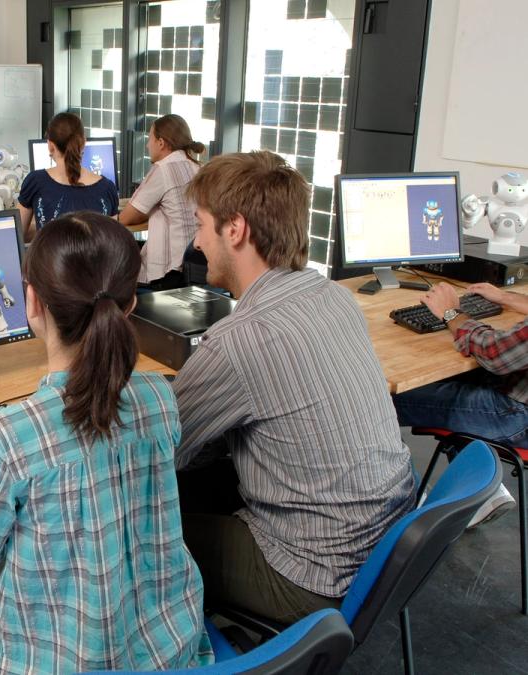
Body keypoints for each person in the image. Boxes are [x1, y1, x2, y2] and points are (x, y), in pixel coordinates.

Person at [0, 212, 213, 674]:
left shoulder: (9, 436)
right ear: (130, 305)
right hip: (166, 648)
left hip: (65, 661)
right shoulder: (159, 398)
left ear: (31, 301)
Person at [173, 151, 416, 625]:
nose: (197, 242)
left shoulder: (240, 341)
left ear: (235, 229)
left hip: (310, 576)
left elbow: (163, 450)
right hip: (383, 546)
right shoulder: (333, 296)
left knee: (135, 530)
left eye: (200, 225)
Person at [394, 281, 528, 525]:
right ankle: (479, 491)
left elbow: (494, 352)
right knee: (462, 371)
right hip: (517, 396)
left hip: (515, 417)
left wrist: (451, 313)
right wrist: (504, 297)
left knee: (379, 401)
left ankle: (413, 502)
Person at [118, 114, 204, 289]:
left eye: (150, 139)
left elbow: (127, 218)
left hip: (168, 273)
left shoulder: (163, 169)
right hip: (194, 266)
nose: (148, 145)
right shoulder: (198, 168)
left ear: (161, 142)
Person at [17, 113, 119, 241]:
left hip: (50, 260)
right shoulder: (107, 188)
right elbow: (113, 243)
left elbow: (16, 234)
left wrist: (42, 226)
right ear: (83, 144)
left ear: (50, 145)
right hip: (98, 261)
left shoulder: (35, 182)